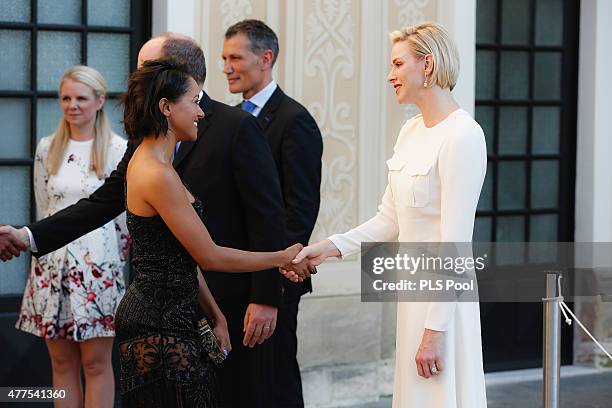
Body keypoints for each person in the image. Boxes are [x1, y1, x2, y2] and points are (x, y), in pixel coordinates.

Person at [0, 33, 292, 407]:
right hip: (167, 310)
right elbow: (105, 202)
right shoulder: (146, 143)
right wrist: (29, 236)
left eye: (147, 68)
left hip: (231, 298)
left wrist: (265, 296)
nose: (138, 77)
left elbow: (266, 216)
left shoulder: (237, 127)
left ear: (175, 75)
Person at [286, 22, 488, 407]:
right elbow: (389, 219)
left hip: (444, 306)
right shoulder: (410, 131)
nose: (390, 75)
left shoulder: (463, 135)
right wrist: (327, 248)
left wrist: (435, 331)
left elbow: (455, 244)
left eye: (398, 64)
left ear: (427, 65)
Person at [114, 58, 308, 408]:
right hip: (159, 322)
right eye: (194, 101)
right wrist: (282, 257)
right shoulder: (155, 172)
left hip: (177, 316)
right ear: (166, 107)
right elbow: (209, 254)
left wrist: (216, 316)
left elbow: (182, 255)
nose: (200, 113)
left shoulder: (159, 165)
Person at [221, 19, 323, 407]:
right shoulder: (232, 120)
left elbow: (300, 212)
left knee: (275, 378)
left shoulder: (294, 121)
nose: (227, 67)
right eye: (223, 58)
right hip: (236, 275)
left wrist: (273, 285)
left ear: (265, 58)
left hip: (274, 278)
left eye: (235, 57)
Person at [15, 66, 128, 408]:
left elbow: (125, 218)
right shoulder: (47, 147)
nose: (72, 105)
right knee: (61, 364)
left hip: (99, 270)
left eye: (81, 98)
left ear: (99, 101)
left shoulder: (118, 149)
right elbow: (44, 206)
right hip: (52, 269)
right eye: (66, 98)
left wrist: (118, 266)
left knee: (96, 364)